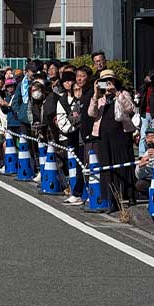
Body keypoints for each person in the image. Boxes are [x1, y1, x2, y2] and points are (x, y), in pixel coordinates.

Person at [88, 69, 136, 213]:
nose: (107, 84)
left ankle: (127, 196)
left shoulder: (122, 94)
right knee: (106, 166)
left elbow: (130, 109)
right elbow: (91, 113)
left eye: (109, 81)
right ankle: (111, 199)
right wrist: (95, 94)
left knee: (122, 165)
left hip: (120, 135)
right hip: (104, 136)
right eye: (104, 81)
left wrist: (116, 93)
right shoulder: (100, 99)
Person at [57, 70, 84, 205]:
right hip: (70, 134)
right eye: (65, 81)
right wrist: (70, 127)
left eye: (70, 80)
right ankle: (77, 191)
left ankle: (80, 192)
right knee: (77, 163)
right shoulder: (62, 100)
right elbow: (61, 119)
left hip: (83, 134)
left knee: (83, 163)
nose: (68, 83)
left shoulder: (82, 98)